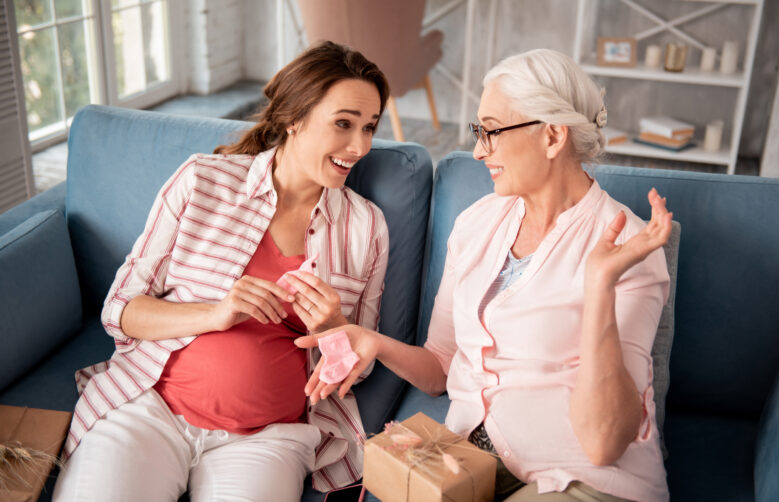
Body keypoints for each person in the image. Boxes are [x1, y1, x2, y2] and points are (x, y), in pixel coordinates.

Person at [298, 49, 672, 502]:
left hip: (578, 481)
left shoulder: (627, 250)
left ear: (552, 137)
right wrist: (372, 342)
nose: (478, 151)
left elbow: (604, 443)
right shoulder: (478, 222)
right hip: (469, 463)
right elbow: (441, 365)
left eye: (490, 131)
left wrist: (599, 287)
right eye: (480, 133)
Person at [53, 41, 391, 502]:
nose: (360, 146)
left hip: (267, 439)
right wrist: (214, 312)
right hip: (151, 410)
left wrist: (334, 331)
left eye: (369, 127)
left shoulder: (365, 226)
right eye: (344, 124)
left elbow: (359, 365)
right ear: (295, 118)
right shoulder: (202, 180)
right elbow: (120, 310)